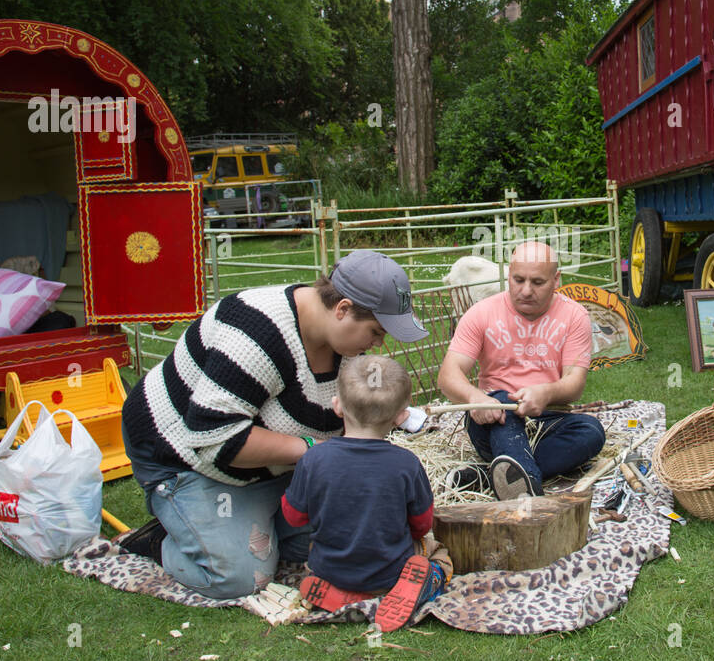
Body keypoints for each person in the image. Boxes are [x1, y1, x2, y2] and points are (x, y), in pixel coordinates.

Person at [117, 250, 428, 599]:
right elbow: (213, 438)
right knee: (241, 577)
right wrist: (312, 451)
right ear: (342, 309)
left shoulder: (341, 343)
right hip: (182, 455)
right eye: (376, 331)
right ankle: (170, 539)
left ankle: (252, 525)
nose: (378, 344)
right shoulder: (255, 331)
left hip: (271, 466)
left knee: (354, 538)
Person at [281, 355, 451, 633]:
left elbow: (294, 517)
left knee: (317, 550)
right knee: (438, 555)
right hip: (389, 573)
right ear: (401, 417)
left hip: (328, 570)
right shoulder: (406, 464)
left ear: (337, 405)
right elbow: (422, 525)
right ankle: (417, 588)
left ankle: (340, 593)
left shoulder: (313, 459)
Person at [437, 241, 606, 499]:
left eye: (537, 282)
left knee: (591, 432)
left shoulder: (575, 316)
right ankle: (529, 487)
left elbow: (575, 383)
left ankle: (493, 476)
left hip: (547, 417)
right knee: (503, 397)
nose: (526, 291)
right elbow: (448, 376)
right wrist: (475, 398)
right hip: (493, 417)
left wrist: (546, 394)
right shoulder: (480, 313)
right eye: (518, 280)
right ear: (508, 276)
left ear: (556, 279)